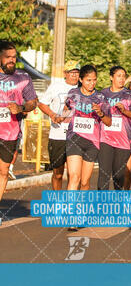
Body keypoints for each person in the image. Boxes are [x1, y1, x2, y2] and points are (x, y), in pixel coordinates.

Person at [61, 65, 111, 230]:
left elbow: (108, 121)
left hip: (92, 142)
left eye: (94, 80)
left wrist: (101, 113)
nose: (91, 83)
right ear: (81, 80)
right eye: (88, 80)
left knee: (85, 181)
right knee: (74, 176)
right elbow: (66, 110)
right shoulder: (73, 94)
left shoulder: (100, 97)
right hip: (74, 138)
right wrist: (62, 117)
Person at [0, 41, 38, 219]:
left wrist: (21, 108)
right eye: (8, 57)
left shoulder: (23, 77)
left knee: (3, 171)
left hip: (10, 132)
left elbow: (32, 102)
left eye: (14, 57)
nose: (11, 61)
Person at [38, 60, 80, 191]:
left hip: (77, 136)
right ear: (65, 73)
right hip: (58, 136)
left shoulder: (83, 87)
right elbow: (42, 103)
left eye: (77, 73)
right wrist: (52, 115)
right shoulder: (56, 86)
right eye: (71, 72)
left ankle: (71, 204)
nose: (74, 75)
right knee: (58, 173)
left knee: (74, 175)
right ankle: (57, 201)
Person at [97, 66, 131, 190]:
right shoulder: (103, 94)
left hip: (123, 141)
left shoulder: (129, 94)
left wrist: (125, 111)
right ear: (111, 77)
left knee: (119, 175)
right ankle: (101, 206)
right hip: (105, 139)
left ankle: (118, 204)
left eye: (124, 76)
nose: (122, 79)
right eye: (118, 76)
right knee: (103, 174)